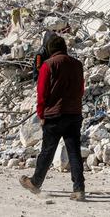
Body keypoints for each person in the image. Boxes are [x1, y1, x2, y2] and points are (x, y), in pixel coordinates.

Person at [19, 34, 86, 202]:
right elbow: (81, 89)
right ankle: (79, 189)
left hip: (54, 115)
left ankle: (35, 182)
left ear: (50, 49)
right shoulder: (77, 65)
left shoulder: (48, 65)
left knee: (47, 151)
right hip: (74, 114)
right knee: (74, 152)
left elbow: (42, 93)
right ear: (64, 48)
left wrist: (41, 114)